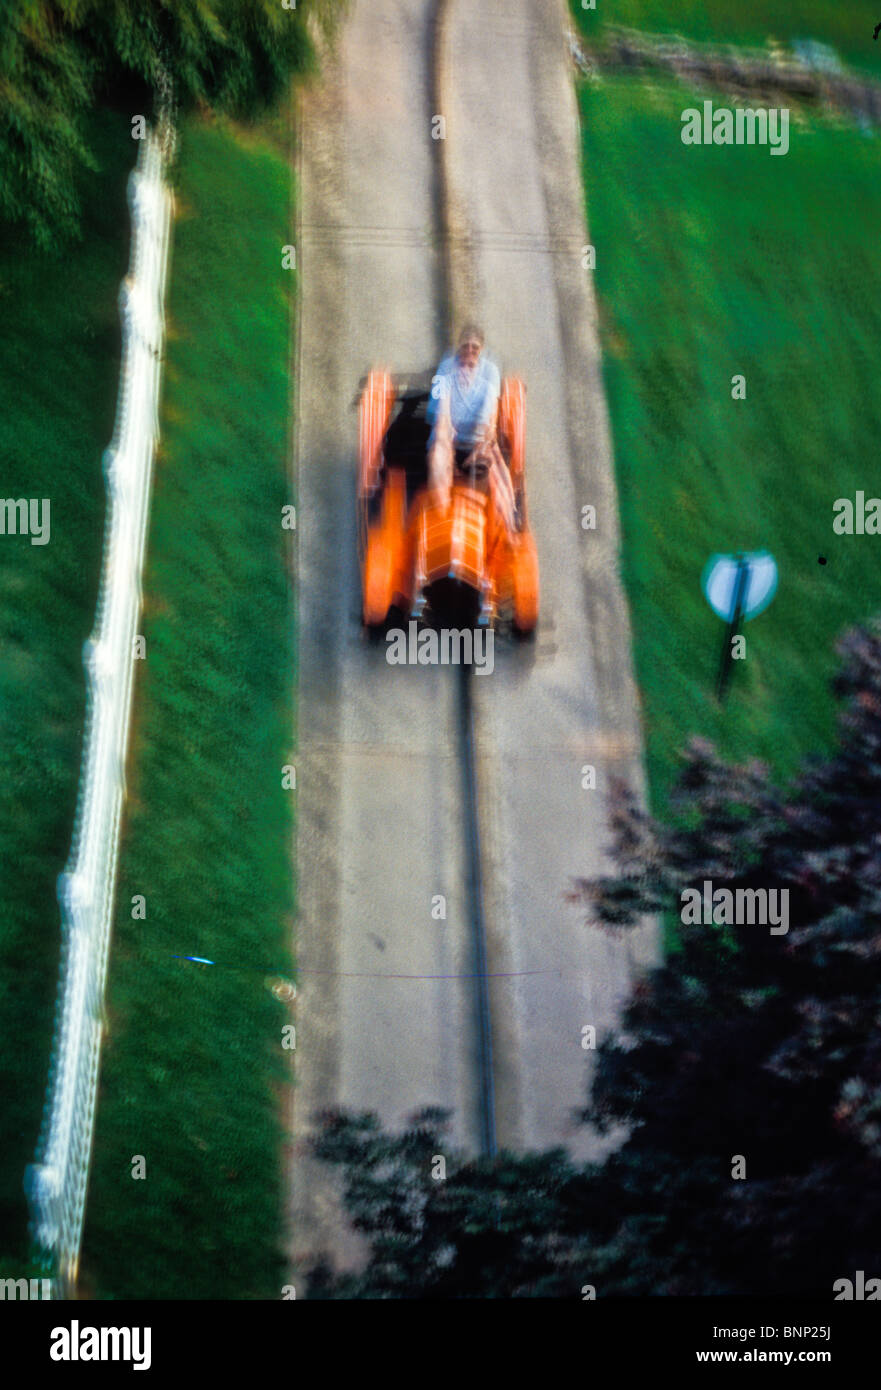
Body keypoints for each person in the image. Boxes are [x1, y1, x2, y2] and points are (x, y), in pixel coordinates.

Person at [426, 324, 515, 530]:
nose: (469, 351)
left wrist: (481, 443)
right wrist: (445, 440)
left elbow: (489, 412)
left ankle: (506, 524)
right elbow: (440, 408)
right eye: (465, 346)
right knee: (438, 458)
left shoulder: (491, 372)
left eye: (474, 347)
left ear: (481, 350)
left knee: (497, 472)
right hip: (447, 436)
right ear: (459, 346)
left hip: (478, 438)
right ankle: (441, 515)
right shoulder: (445, 368)